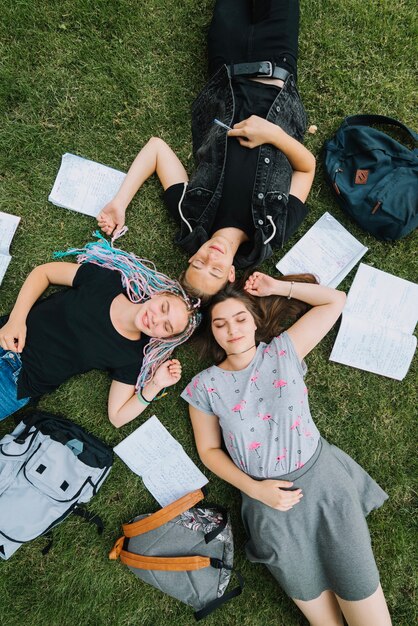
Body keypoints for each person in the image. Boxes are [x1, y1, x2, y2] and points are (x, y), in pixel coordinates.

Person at [180, 273, 392, 626]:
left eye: (240, 318)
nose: (232, 329)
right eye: (220, 324)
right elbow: (209, 450)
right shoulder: (204, 387)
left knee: (369, 612)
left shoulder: (283, 350)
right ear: (212, 332)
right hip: (269, 505)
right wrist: (255, 489)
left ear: (255, 320)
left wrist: (278, 288)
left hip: (324, 484)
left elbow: (335, 301)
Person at [97, 0, 315, 297]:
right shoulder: (272, 232)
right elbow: (306, 168)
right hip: (277, 69)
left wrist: (119, 203)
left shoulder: (190, 214)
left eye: (198, 264)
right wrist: (273, 135)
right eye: (215, 270)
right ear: (231, 274)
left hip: (226, 68)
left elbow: (156, 149)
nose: (210, 258)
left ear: (190, 258)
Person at [0, 235, 200, 427]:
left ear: (165, 338)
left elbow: (117, 417)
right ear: (159, 295)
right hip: (5, 333)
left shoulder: (131, 357)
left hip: (16, 380)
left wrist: (155, 384)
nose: (156, 319)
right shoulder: (105, 281)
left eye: (166, 327)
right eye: (164, 308)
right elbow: (44, 273)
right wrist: (17, 319)